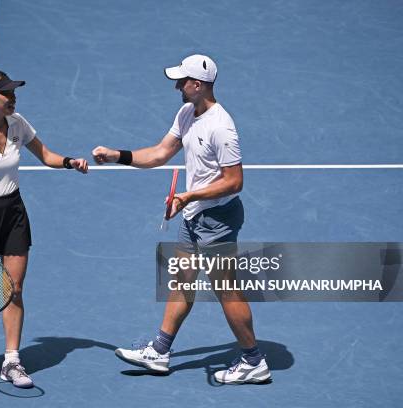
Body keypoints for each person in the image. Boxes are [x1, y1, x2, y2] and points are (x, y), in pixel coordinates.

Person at [92, 55, 270, 384]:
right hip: (195, 214)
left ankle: (253, 361)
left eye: (181, 81)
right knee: (183, 281)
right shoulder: (187, 112)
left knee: (226, 291)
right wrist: (118, 156)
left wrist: (189, 195)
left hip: (217, 219)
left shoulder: (222, 127)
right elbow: (160, 152)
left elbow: (235, 181)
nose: (177, 86)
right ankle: (160, 351)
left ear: (197, 85)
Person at [0, 70, 88, 388]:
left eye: (13, 92)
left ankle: (12, 361)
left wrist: (69, 162)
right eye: (7, 94)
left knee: (15, 289)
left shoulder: (18, 124)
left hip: (13, 212)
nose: (13, 98)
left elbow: (46, 155)